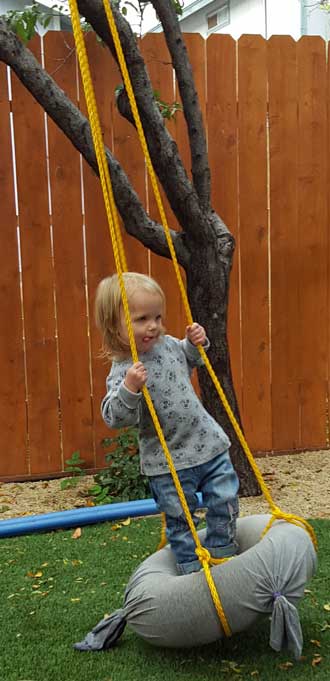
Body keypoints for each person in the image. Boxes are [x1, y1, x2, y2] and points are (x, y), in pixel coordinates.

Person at [95, 272, 239, 574]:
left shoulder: (169, 345)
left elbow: (191, 357)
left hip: (207, 442)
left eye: (158, 317)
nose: (154, 325)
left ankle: (223, 551)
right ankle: (191, 567)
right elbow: (114, 417)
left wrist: (195, 342)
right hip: (168, 461)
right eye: (142, 318)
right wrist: (130, 388)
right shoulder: (123, 371)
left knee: (225, 497)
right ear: (114, 326)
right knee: (180, 517)